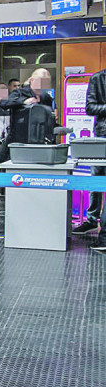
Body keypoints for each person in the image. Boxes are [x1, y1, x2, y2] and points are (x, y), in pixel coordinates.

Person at [83, 67, 106, 250]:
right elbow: (90, 108)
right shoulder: (98, 78)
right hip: (102, 135)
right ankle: (92, 219)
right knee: (96, 180)